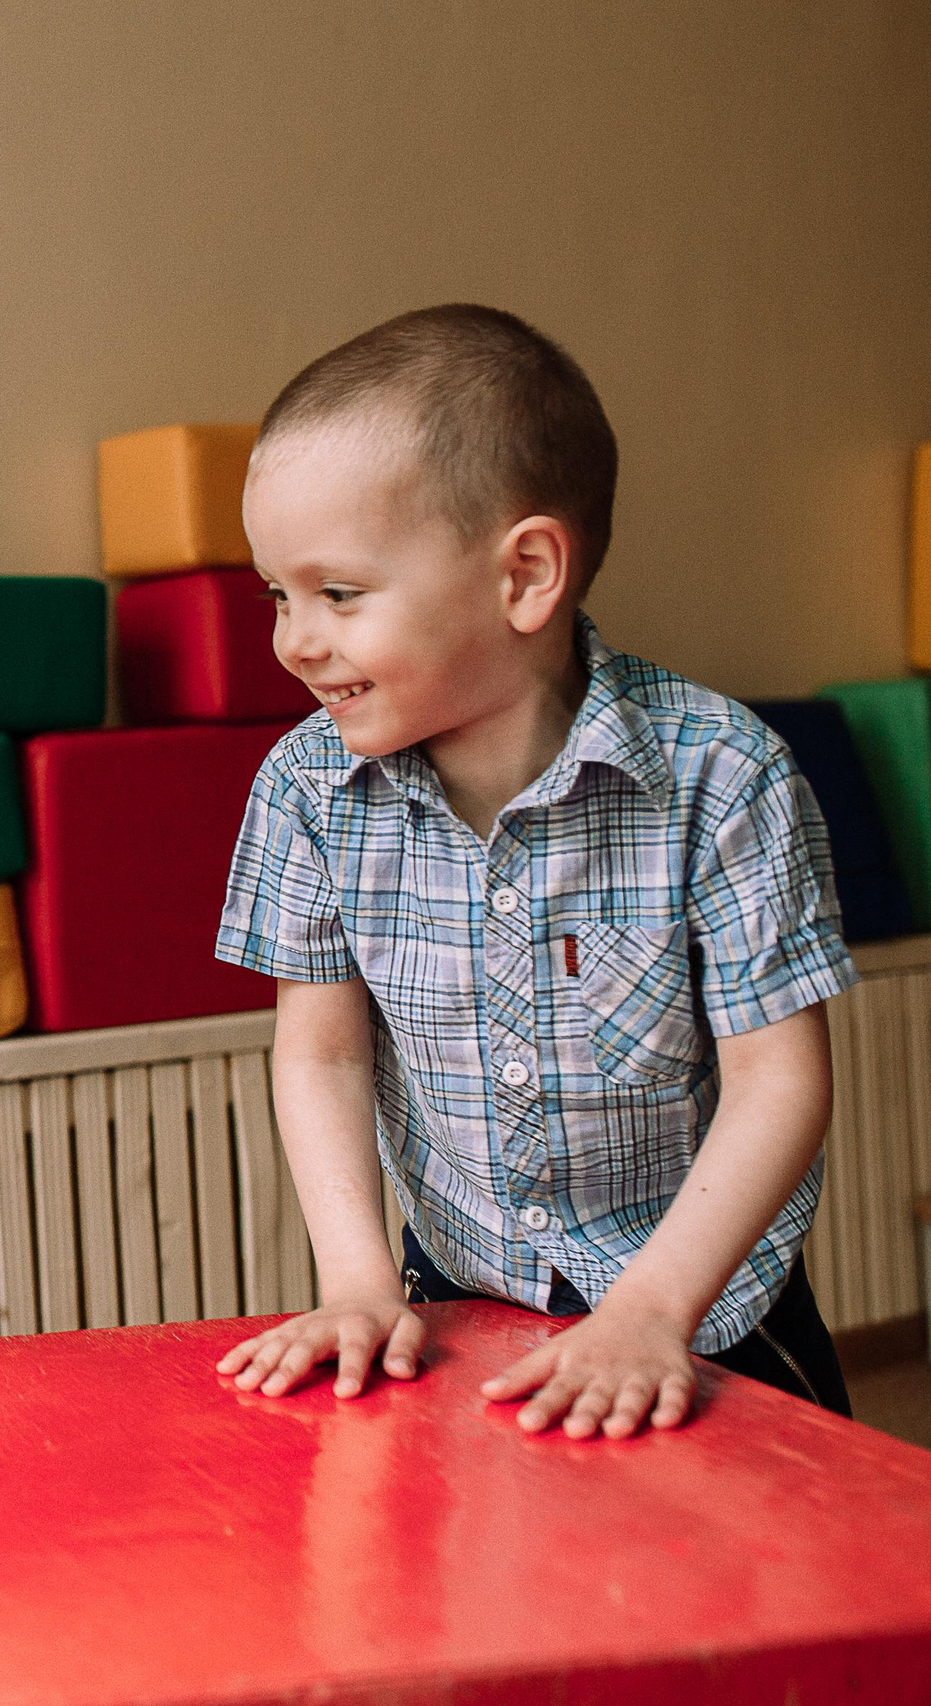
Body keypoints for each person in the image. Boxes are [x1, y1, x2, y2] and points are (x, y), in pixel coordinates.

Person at [213, 304, 854, 1439]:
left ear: (524, 575)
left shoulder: (724, 773)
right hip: (461, 1299)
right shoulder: (305, 789)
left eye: (338, 594)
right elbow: (319, 1053)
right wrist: (356, 1281)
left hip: (710, 1319)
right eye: (277, 594)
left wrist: (651, 1310)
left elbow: (779, 1083)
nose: (292, 640)